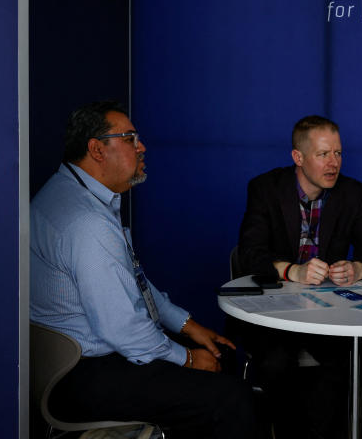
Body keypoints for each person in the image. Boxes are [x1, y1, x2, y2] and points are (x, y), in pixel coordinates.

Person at [30, 101, 254, 439]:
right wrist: (189, 360)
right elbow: (124, 331)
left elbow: (134, 283)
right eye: (130, 138)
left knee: (222, 357)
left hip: (78, 359)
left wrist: (188, 326)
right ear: (96, 149)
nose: (142, 147)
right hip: (84, 374)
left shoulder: (70, 193)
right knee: (233, 399)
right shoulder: (87, 222)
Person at [236, 115, 362, 438]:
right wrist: (292, 270)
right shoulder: (265, 189)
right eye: (323, 154)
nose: (334, 164)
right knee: (276, 362)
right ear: (298, 158)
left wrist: (357, 268)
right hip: (273, 314)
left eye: (338, 153)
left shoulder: (353, 193)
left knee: (348, 360)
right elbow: (250, 253)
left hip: (328, 313)